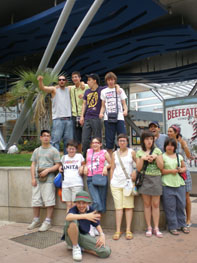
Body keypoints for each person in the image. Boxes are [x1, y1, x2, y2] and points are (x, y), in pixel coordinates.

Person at [62, 190, 111, 261]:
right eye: (79, 203)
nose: (81, 206)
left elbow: (96, 223)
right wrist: (86, 216)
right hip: (71, 237)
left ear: (88, 203)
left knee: (106, 251)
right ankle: (75, 246)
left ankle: (81, 248)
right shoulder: (73, 209)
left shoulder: (91, 210)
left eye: (84, 203)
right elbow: (68, 217)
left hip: (83, 236)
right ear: (76, 203)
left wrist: (102, 234)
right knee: (72, 221)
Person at [28, 130, 60, 231]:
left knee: (49, 200)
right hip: (37, 178)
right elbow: (33, 164)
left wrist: (48, 170)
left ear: (50, 138)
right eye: (44, 136)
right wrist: (33, 178)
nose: (46, 138)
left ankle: (47, 221)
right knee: (36, 200)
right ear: (41, 137)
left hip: (49, 179)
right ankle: (36, 220)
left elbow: (58, 165)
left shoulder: (54, 150)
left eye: (48, 136)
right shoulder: (36, 150)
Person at [136, 131, 163, 237]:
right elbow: (138, 168)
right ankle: (149, 227)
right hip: (144, 178)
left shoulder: (157, 150)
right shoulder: (139, 152)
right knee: (147, 205)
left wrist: (156, 157)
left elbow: (161, 166)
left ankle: (156, 227)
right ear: (143, 140)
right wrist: (143, 158)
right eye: (147, 139)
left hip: (156, 178)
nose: (149, 141)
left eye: (151, 139)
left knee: (155, 204)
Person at [37, 75, 73, 154]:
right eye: (60, 80)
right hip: (58, 119)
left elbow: (80, 85)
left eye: (63, 79)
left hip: (69, 120)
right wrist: (40, 81)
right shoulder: (54, 90)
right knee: (55, 141)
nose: (61, 81)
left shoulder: (69, 89)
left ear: (66, 81)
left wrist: (83, 83)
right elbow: (43, 88)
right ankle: (56, 161)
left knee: (68, 142)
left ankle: (66, 161)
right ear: (58, 81)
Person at [110, 134, 136, 240]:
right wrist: (111, 180)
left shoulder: (131, 152)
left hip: (127, 184)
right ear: (117, 142)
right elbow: (112, 168)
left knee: (129, 207)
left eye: (124, 141)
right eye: (120, 141)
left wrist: (135, 172)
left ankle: (128, 229)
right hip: (116, 183)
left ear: (127, 142)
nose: (122, 142)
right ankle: (118, 230)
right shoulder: (114, 154)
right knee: (118, 208)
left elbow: (138, 164)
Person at [162, 137, 190, 235]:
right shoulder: (162, 157)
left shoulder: (179, 156)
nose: (170, 147)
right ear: (165, 146)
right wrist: (171, 171)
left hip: (180, 184)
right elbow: (161, 171)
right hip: (167, 184)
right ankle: (173, 226)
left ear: (175, 147)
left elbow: (184, 167)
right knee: (170, 207)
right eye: (168, 145)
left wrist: (182, 169)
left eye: (172, 145)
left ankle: (183, 225)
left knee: (181, 205)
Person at [167, 125, 192, 227]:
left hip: (183, 172)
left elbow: (189, 156)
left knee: (186, 197)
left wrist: (184, 145)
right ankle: (178, 219)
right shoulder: (168, 143)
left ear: (176, 132)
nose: (168, 133)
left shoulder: (182, 141)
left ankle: (188, 219)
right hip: (172, 173)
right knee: (176, 197)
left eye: (171, 131)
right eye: (168, 131)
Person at [100, 72, 128, 156]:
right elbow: (103, 106)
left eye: (112, 79)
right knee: (109, 140)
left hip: (119, 117)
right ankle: (110, 161)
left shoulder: (120, 90)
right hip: (108, 118)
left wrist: (125, 110)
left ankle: (124, 156)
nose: (110, 81)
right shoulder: (103, 91)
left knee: (122, 137)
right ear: (106, 81)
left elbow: (124, 103)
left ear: (115, 80)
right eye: (108, 80)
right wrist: (101, 113)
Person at [84, 137, 111, 214]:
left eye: (97, 143)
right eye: (93, 143)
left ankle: (97, 223)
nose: (95, 144)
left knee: (102, 201)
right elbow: (87, 162)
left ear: (100, 144)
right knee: (96, 201)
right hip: (90, 178)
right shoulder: (88, 151)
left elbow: (112, 163)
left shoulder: (104, 152)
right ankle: (92, 221)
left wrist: (106, 167)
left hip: (101, 177)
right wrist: (85, 167)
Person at [80, 73, 104, 158]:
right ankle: (86, 158)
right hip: (87, 118)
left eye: (89, 80)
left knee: (97, 138)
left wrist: (117, 87)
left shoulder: (102, 89)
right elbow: (84, 104)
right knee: (85, 140)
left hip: (96, 117)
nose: (88, 82)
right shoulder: (87, 91)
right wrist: (82, 116)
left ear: (95, 81)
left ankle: (99, 157)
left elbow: (113, 86)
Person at [59, 140, 85, 212]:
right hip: (66, 184)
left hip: (77, 183)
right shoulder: (64, 157)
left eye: (73, 149)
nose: (71, 150)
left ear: (76, 149)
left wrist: (82, 167)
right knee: (68, 205)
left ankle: (75, 222)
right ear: (67, 149)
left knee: (75, 204)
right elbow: (60, 166)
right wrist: (59, 168)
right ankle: (69, 222)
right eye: (69, 148)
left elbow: (84, 164)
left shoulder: (79, 156)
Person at [69, 71, 89, 153]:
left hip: (85, 115)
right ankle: (80, 157)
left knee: (86, 137)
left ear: (80, 78)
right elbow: (61, 87)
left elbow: (96, 89)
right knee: (77, 139)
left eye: (76, 77)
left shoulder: (86, 87)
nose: (74, 78)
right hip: (74, 115)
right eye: (73, 77)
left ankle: (88, 156)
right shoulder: (72, 88)